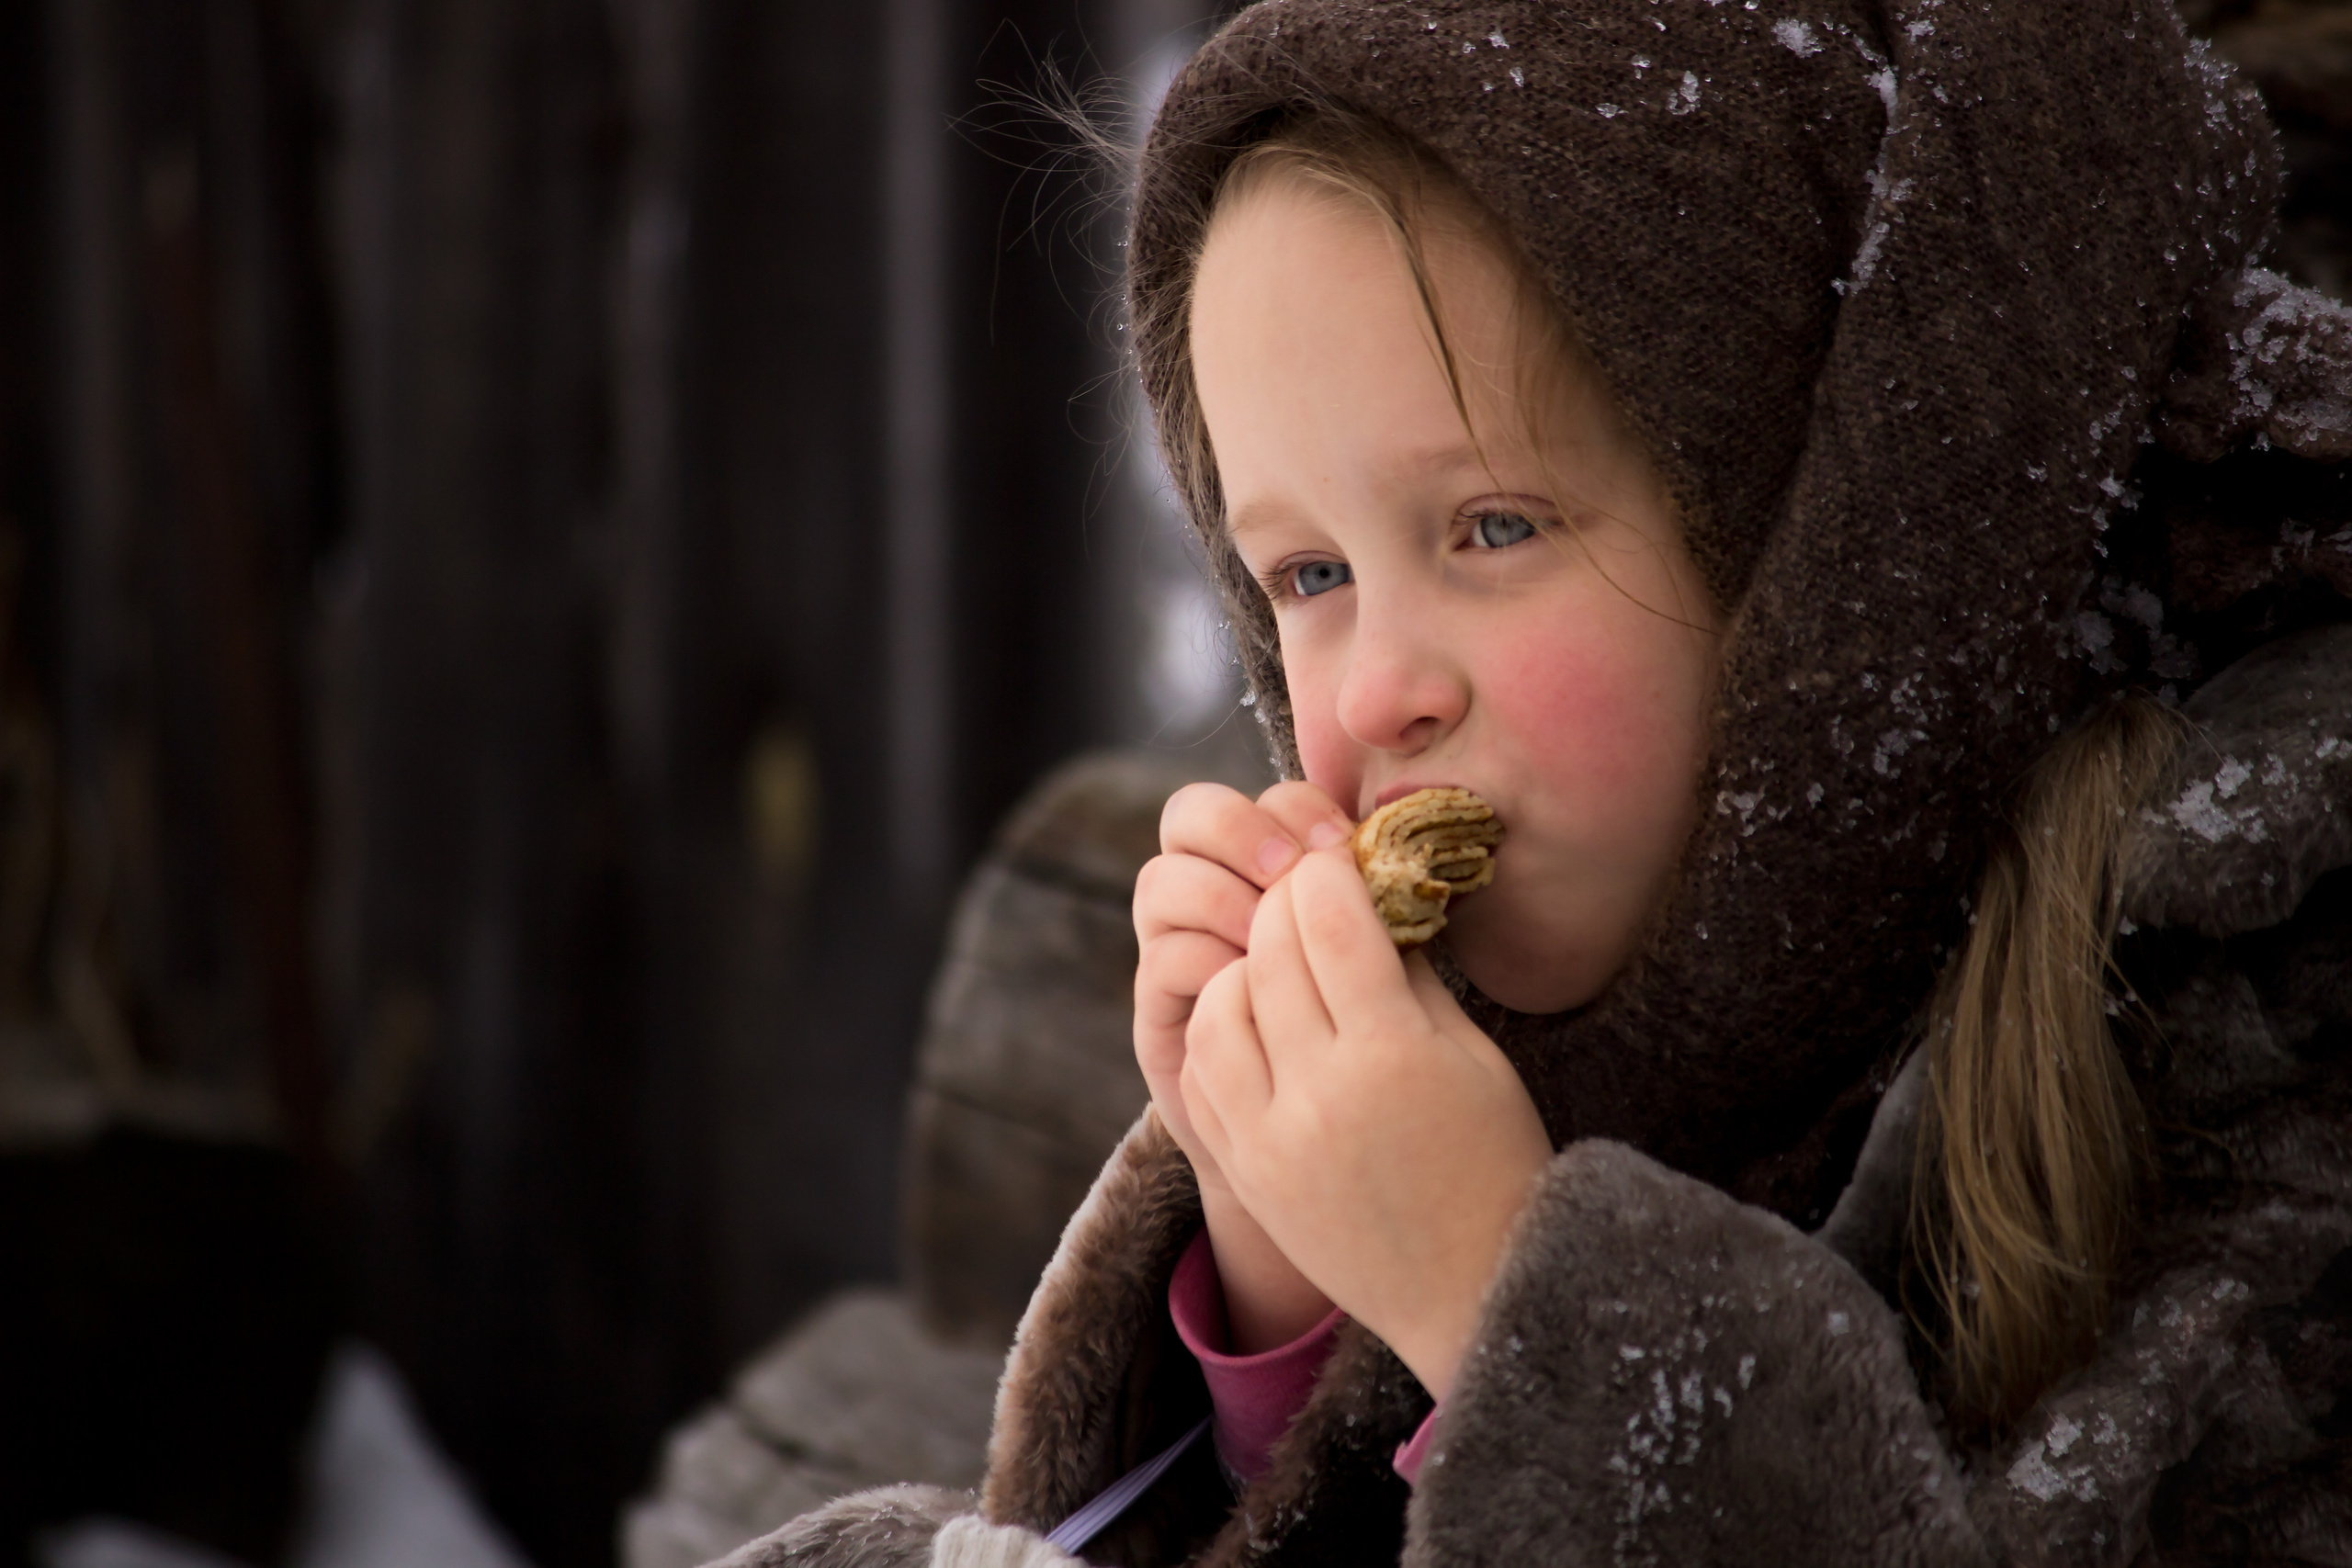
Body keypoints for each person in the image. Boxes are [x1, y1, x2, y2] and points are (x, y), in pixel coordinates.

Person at [729, 1, 2352, 1563]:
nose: (1375, 693)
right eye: (1304, 575)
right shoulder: (1567, 984)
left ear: (1837, 549)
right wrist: (1287, 1290)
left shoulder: (2250, 1001)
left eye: (1492, 528)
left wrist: (1512, 1292)